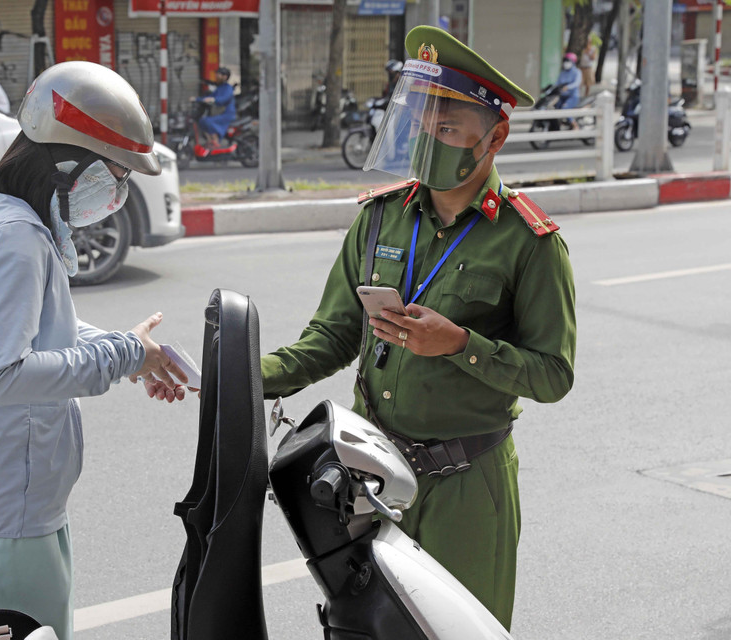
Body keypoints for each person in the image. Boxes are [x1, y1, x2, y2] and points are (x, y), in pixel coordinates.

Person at [148, 26, 577, 630]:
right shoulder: (380, 219)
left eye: (447, 129)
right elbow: (330, 338)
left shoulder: (528, 242)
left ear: (495, 136)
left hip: (467, 488)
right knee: (365, 628)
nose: (429, 141)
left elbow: (553, 374)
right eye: (422, 126)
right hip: (371, 479)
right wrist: (231, 376)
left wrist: (460, 345)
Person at [0, 61, 187, 640]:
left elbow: (41, 328)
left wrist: (133, 352)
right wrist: (122, 355)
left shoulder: (10, 225)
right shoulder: (15, 240)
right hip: (3, 516)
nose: (119, 191)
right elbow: (3, 374)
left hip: (16, 508)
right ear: (68, 162)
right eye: (116, 172)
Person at [194, 67, 236, 148]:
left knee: (208, 121)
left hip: (226, 114)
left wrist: (214, 99)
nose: (216, 76)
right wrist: (197, 99)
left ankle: (216, 141)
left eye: (218, 74)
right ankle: (210, 141)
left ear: (225, 77)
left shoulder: (228, 88)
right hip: (220, 113)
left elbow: (224, 98)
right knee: (201, 121)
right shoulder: (220, 88)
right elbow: (210, 96)